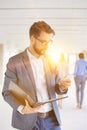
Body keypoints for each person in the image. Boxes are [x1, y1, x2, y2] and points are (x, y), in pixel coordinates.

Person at [2, 21, 71, 130]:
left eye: (50, 42)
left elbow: (58, 88)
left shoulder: (51, 61)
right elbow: (7, 92)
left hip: (52, 120)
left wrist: (62, 87)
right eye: (43, 42)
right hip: (29, 121)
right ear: (32, 39)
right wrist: (22, 108)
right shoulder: (14, 61)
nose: (47, 46)